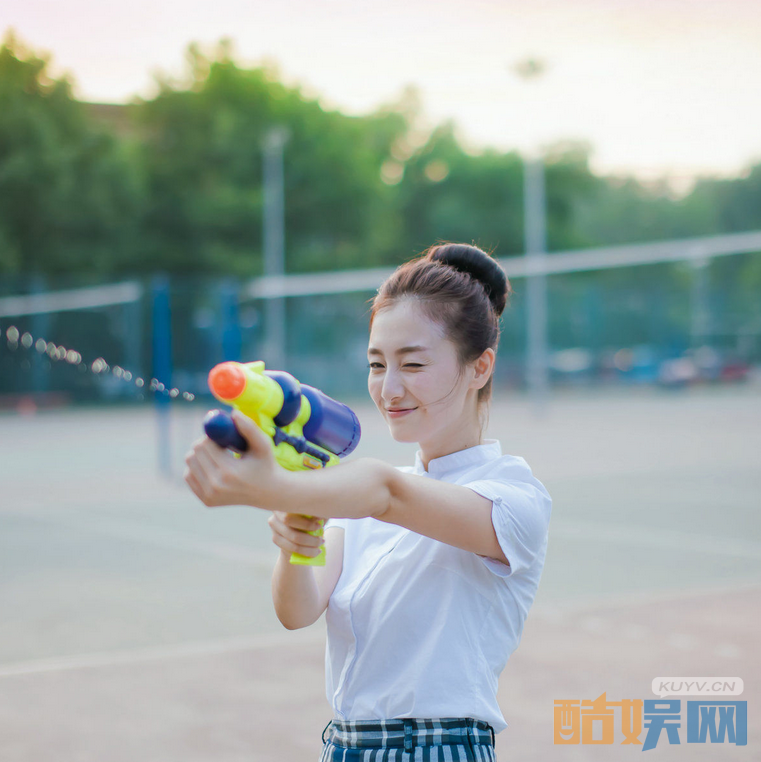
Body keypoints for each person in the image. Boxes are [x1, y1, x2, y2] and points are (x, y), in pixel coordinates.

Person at [184, 242, 552, 761]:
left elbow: (385, 492)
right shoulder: (360, 499)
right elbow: (297, 610)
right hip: (344, 745)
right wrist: (296, 534)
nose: (390, 389)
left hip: (438, 748)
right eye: (377, 365)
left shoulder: (514, 498)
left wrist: (275, 487)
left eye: (413, 364)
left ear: (480, 367)